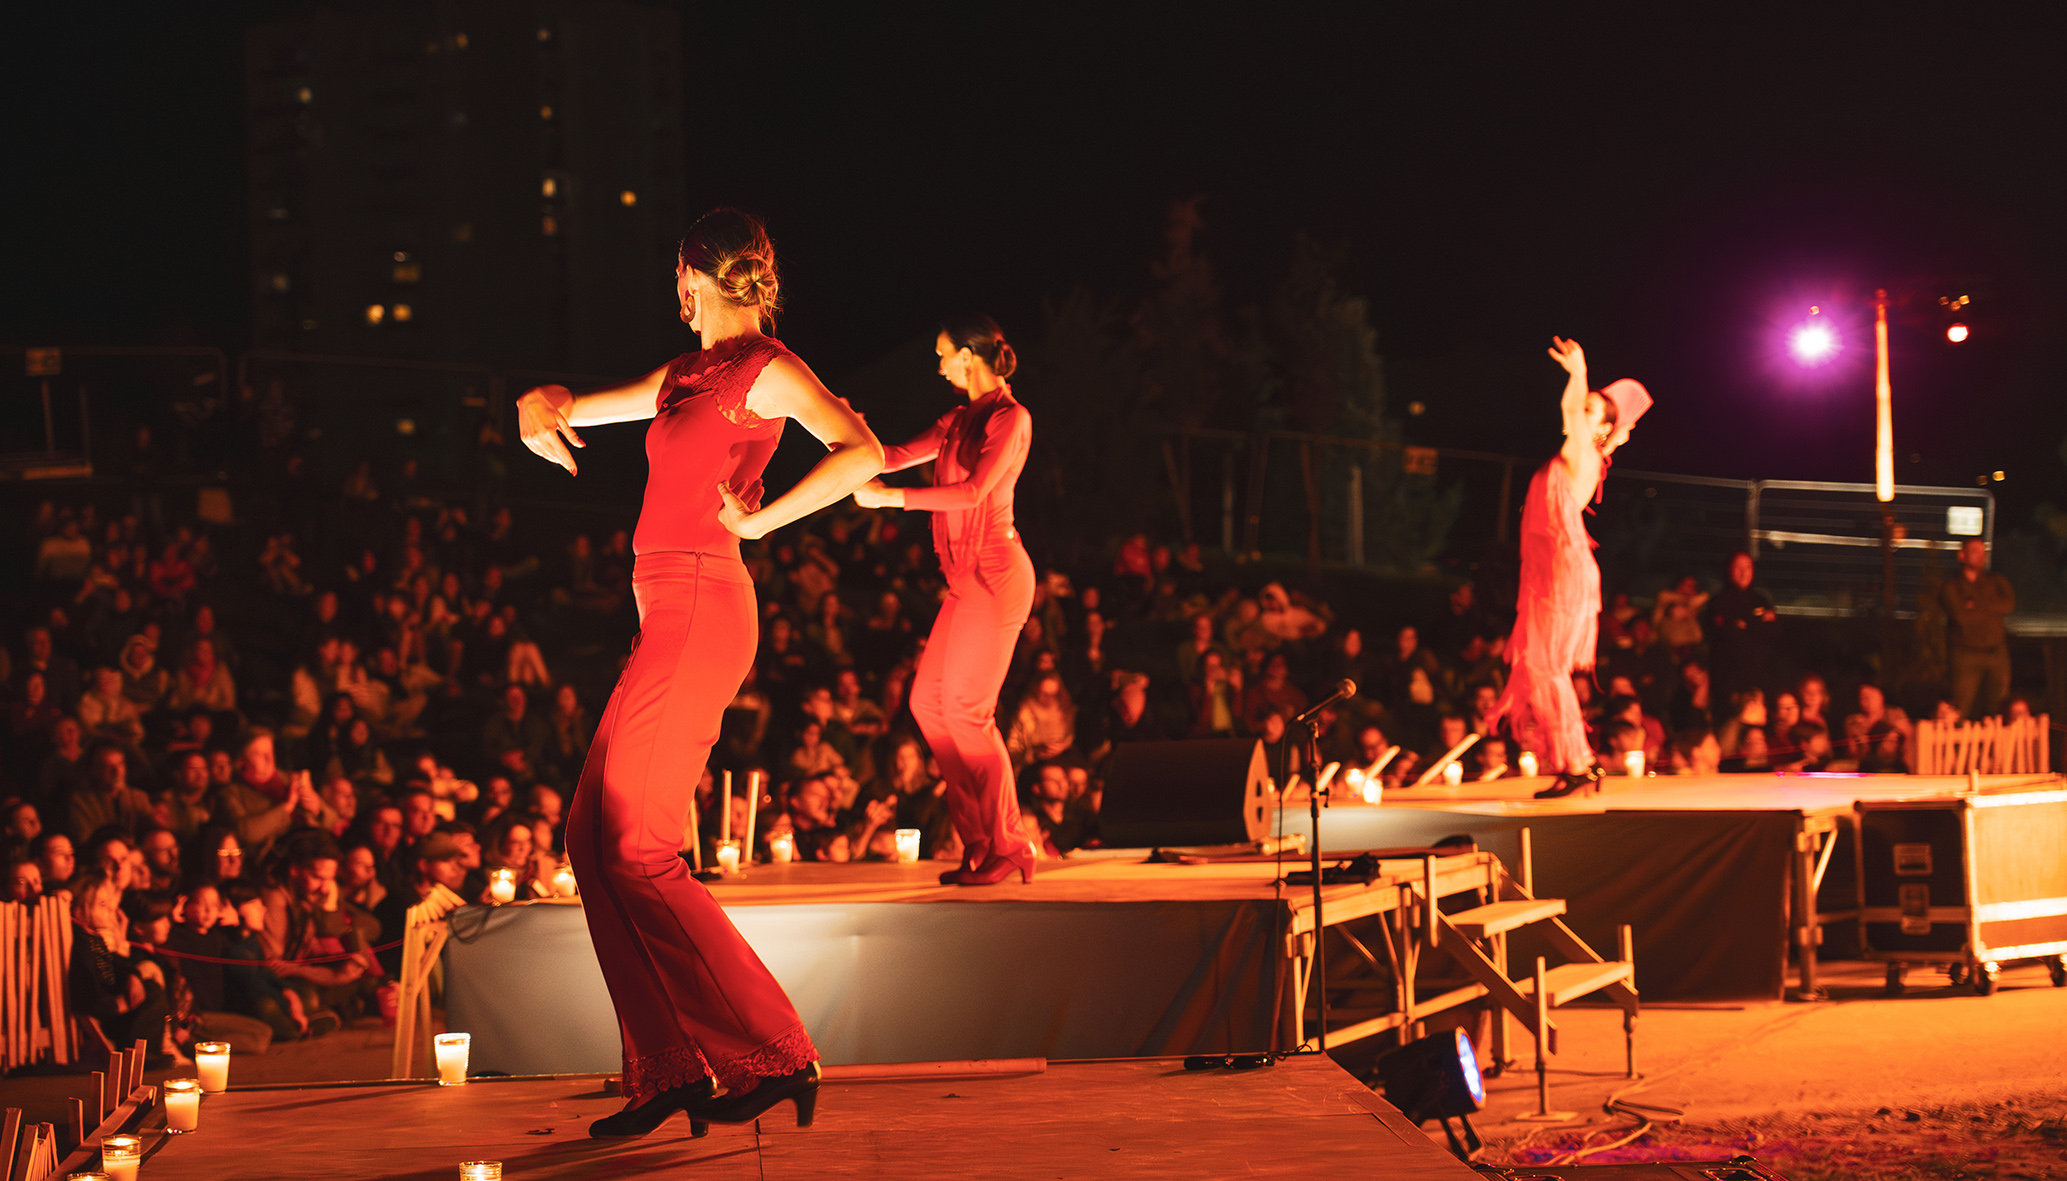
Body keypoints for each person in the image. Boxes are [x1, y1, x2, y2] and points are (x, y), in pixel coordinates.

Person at [514, 209, 877, 1138]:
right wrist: (538, 402)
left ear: (690, 277)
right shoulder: (684, 374)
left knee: (638, 848)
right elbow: (576, 404)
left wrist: (761, 520)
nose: (672, 290)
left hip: (704, 604)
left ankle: (775, 1050)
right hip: (664, 613)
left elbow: (861, 451)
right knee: (589, 838)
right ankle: (670, 1068)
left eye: (675, 277)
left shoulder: (766, 367)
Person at [854, 313, 1036, 887]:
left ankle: (1010, 845)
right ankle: (977, 839)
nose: (938, 367)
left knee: (966, 711)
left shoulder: (1010, 418)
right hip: (964, 580)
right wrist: (843, 433)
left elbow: (974, 491)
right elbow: (894, 454)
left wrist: (891, 502)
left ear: (967, 355)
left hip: (997, 574)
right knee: (928, 704)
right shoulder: (958, 418)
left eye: (942, 355)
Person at [1491, 337, 1651, 797]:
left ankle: (1577, 762)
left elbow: (1569, 409)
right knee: (1541, 667)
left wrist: (1579, 373)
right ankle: (1575, 761)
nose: (1583, 410)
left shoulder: (1582, 453)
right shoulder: (1579, 452)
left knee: (1546, 667)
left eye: (1592, 409)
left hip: (1563, 572)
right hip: (1553, 571)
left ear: (1602, 427)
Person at [1940, 538, 2015, 719]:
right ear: (1962, 555)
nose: (1981, 556)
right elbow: (1960, 616)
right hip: (1966, 653)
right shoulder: (1952, 586)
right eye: (1975, 551)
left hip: (1996, 651)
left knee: (1999, 707)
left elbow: (2008, 605)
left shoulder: (1996, 581)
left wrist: (1975, 604)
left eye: (1983, 552)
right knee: (1961, 706)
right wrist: (1991, 607)